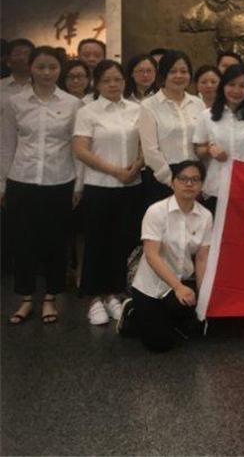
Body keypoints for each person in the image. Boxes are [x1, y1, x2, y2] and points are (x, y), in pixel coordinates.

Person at [2, 46, 82, 324]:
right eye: (40, 67)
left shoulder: (72, 104)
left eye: (52, 67)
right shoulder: (15, 102)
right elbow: (6, 144)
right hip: (21, 180)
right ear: (31, 68)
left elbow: (76, 148)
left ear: (60, 70)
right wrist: (2, 184)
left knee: (55, 242)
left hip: (59, 180)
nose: (46, 72)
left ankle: (50, 297)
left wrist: (78, 185)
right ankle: (25, 298)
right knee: (23, 242)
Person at [72, 60, 144, 326]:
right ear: (97, 83)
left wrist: (136, 166)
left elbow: (145, 144)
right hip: (100, 186)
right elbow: (81, 150)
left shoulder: (137, 109)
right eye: (106, 80)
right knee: (96, 243)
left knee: (122, 242)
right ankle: (93, 298)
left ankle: (114, 293)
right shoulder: (88, 111)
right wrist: (116, 171)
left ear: (125, 81)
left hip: (131, 186)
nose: (113, 84)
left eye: (117, 79)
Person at [123, 160, 212, 353]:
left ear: (201, 185)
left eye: (195, 180)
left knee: (197, 328)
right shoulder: (156, 211)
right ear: (172, 183)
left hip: (183, 280)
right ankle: (132, 311)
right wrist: (177, 287)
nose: (189, 184)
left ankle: (169, 319)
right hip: (152, 286)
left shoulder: (205, 216)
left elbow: (202, 258)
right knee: (160, 345)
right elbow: (151, 255)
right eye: (183, 179)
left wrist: (203, 296)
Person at [193, 65, 244, 213]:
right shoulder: (207, 115)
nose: (236, 90)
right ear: (223, 86)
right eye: (231, 84)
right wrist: (209, 150)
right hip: (216, 186)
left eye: (242, 86)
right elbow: (198, 150)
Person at [137, 50, 206, 204]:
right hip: (162, 178)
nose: (179, 76)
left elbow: (202, 142)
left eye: (184, 71)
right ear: (163, 75)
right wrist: (172, 181)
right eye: (172, 71)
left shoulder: (198, 103)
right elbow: (150, 151)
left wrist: (197, 179)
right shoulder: (149, 105)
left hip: (194, 177)